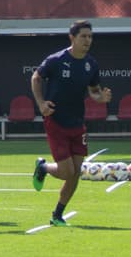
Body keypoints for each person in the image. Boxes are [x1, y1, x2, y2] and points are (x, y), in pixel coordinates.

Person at [30, 20, 113, 226]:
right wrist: (41, 103)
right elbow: (36, 78)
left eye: (90, 37)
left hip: (77, 123)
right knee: (66, 171)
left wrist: (101, 98)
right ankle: (43, 167)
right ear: (72, 38)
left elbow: (94, 91)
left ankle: (57, 215)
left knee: (76, 173)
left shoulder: (91, 64)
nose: (87, 40)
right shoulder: (56, 60)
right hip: (56, 121)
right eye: (83, 36)